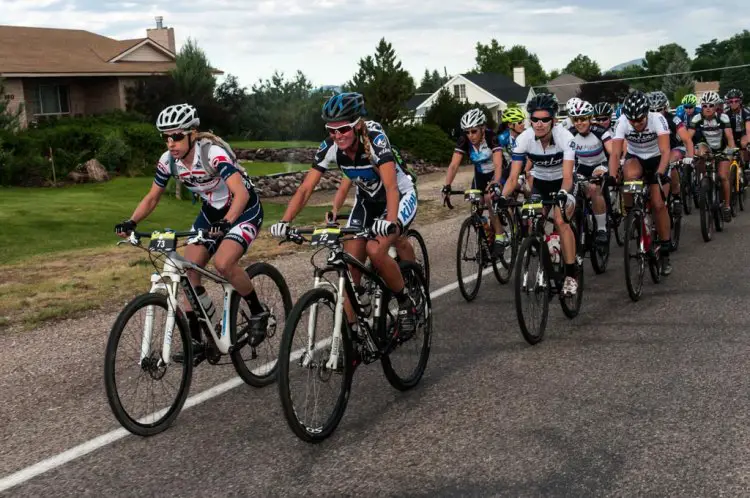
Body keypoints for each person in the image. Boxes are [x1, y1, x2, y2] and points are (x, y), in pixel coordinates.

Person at [114, 103, 268, 358]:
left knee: (223, 263)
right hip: (211, 212)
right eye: (166, 137)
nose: (171, 143)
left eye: (176, 136)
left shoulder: (213, 153)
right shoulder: (169, 162)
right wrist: (131, 222)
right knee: (185, 270)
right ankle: (198, 338)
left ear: (192, 134)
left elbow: (240, 193)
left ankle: (257, 310)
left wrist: (228, 221)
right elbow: (152, 197)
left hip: (243, 209)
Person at [269, 92, 418, 334]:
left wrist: (390, 222)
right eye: (331, 130)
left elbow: (391, 186)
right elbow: (306, 188)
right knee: (351, 268)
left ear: (358, 124)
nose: (337, 136)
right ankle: (351, 336)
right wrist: (285, 221)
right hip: (367, 202)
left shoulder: (376, 141)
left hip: (399, 196)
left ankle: (405, 301)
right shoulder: (330, 147)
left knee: (376, 249)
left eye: (344, 129)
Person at [499, 93, 579, 295]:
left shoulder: (565, 138)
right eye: (535, 119)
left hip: (564, 182)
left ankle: (571, 274)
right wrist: (502, 197)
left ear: (553, 120)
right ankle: (547, 249)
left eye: (545, 119)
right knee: (533, 219)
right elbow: (512, 178)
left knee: (561, 221)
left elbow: (568, 177)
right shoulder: (524, 139)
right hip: (541, 183)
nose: (539, 124)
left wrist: (562, 193)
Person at [609, 91, 674, 275]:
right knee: (628, 176)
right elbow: (614, 154)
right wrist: (613, 176)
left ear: (647, 113)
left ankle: (665, 249)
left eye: (640, 120)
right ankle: (632, 214)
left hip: (657, 159)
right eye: (632, 121)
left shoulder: (657, 120)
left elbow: (666, 150)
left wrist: (660, 173)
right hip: (636, 158)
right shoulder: (622, 121)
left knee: (658, 203)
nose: (636, 124)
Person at [442, 108, 507, 251]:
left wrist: (496, 182)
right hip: (480, 175)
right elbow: (453, 165)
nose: (470, 135)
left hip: (497, 172)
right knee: (475, 206)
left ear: (482, 128)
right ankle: (485, 237)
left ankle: (500, 236)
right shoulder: (464, 140)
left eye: (474, 131)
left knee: (489, 198)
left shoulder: (492, 137)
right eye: (467, 132)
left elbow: (497, 163)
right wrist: (447, 185)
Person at [567, 100, 613, 245]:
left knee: (594, 187)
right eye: (576, 120)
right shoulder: (570, 134)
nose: (579, 123)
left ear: (590, 118)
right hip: (582, 166)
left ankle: (601, 229)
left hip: (600, 164)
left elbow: (611, 151)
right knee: (571, 189)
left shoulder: (600, 131)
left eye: (583, 119)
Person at [688, 90, 737, 222]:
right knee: (700, 152)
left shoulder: (723, 118)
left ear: (716, 107)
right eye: (705, 106)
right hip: (707, 147)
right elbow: (688, 138)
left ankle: (726, 206)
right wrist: (690, 153)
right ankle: (704, 184)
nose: (708, 108)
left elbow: (730, 137)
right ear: (701, 107)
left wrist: (732, 151)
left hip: (722, 148)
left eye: (711, 105)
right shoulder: (696, 118)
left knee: (722, 176)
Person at [648, 90, 694, 217]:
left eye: (659, 109)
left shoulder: (673, 118)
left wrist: (690, 157)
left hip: (674, 148)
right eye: (652, 110)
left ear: (666, 107)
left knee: (670, 162)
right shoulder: (645, 121)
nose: (656, 113)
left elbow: (686, 139)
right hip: (656, 151)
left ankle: (676, 195)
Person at [724, 88, 750, 168]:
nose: (734, 103)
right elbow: (725, 131)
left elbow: (748, 130)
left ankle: (747, 165)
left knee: (744, 143)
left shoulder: (746, 111)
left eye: (736, 101)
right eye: (731, 101)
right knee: (728, 153)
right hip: (731, 135)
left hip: (743, 133)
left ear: (740, 101)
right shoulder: (726, 113)